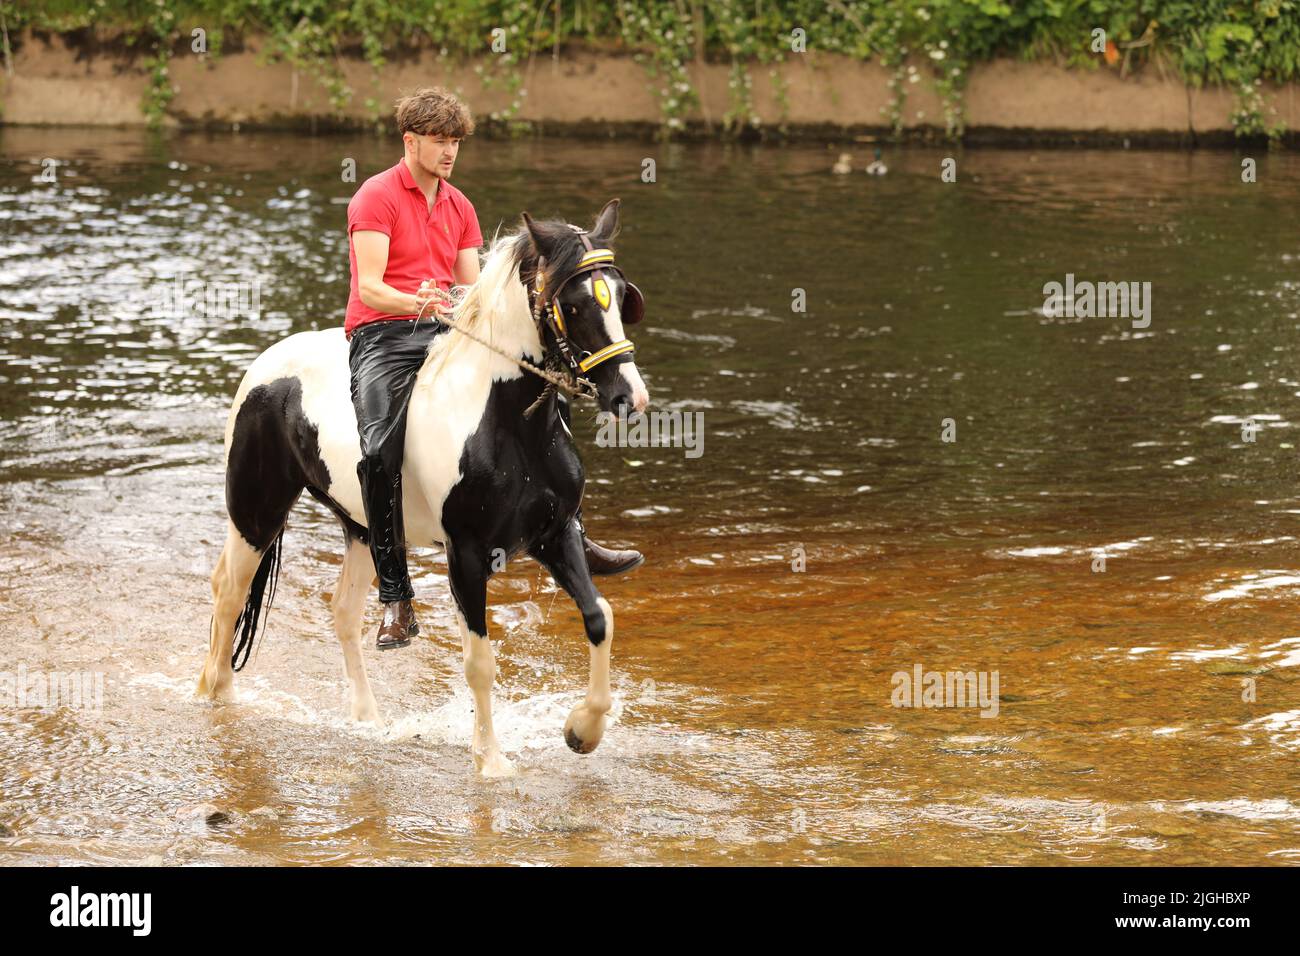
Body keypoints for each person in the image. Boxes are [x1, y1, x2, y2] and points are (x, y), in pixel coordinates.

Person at [345, 87, 643, 651]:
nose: (450, 151)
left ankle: (570, 526)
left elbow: (468, 285)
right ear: (411, 142)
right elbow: (371, 288)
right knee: (380, 448)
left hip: (445, 330)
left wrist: (460, 307)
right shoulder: (375, 196)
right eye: (439, 142)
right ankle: (395, 595)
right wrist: (422, 302)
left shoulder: (459, 205)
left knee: (546, 388)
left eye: (455, 141)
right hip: (383, 334)